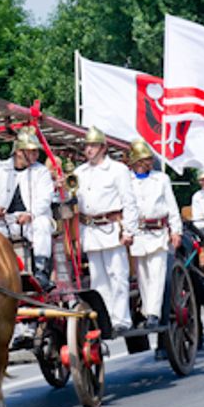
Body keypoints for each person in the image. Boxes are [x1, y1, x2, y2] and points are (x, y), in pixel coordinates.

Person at [73, 126, 139, 334]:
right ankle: (106, 318)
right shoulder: (79, 172)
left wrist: (129, 230)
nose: (89, 149)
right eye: (87, 146)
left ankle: (121, 319)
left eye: (93, 145)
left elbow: (129, 202)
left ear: (103, 148)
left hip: (111, 228)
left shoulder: (118, 170)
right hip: (90, 229)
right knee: (98, 278)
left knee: (118, 275)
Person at [0, 130, 55, 287]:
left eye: (36, 151)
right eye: (32, 151)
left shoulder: (41, 171)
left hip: (31, 219)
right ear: (18, 151)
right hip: (6, 220)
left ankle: (41, 274)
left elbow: (45, 198)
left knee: (42, 224)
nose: (36, 155)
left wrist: (31, 214)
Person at [126, 139, 182, 327]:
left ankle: (153, 314)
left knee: (157, 274)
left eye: (149, 160)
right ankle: (147, 310)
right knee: (143, 276)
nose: (149, 163)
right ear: (136, 162)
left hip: (158, 232)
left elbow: (172, 207)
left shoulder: (161, 179)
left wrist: (176, 230)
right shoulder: (127, 181)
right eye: (144, 160)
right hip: (139, 234)